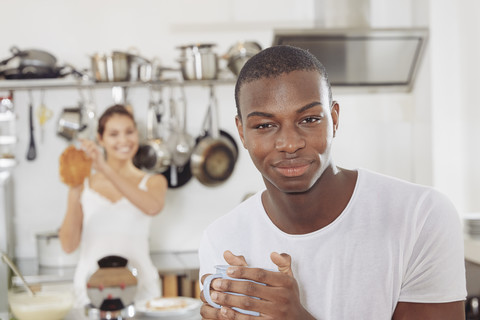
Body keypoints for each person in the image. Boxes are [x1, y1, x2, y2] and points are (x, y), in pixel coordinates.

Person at [198, 45, 467, 319]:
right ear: (242, 132)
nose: (290, 144)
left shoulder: (421, 216)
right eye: (265, 125)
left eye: (310, 119)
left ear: (334, 118)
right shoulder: (222, 239)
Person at [59, 104, 168, 308]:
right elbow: (68, 245)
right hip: (90, 292)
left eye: (129, 132)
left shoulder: (153, 182)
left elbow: (153, 207)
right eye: (114, 134)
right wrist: (74, 188)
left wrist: (104, 168)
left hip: (141, 292)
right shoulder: (84, 185)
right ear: (100, 139)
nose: (123, 140)